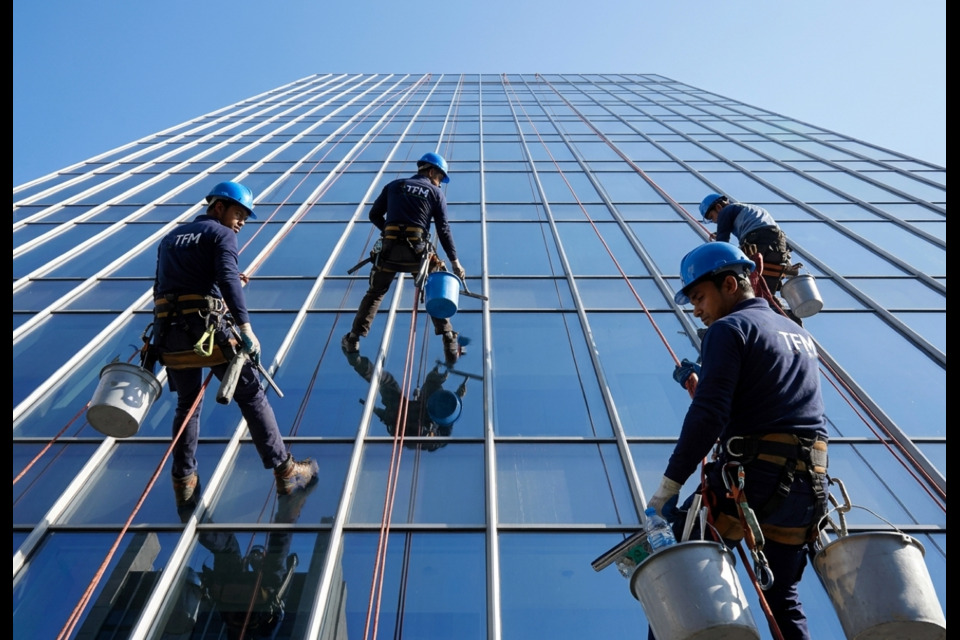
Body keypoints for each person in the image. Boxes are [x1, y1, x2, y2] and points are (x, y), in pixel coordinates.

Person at [648, 242, 829, 640]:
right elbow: (773, 400)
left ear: (729, 284)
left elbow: (709, 414)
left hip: (753, 480)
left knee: (678, 571)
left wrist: (668, 487)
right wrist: (704, 380)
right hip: (807, 490)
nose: (696, 310)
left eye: (699, 297)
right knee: (782, 597)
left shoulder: (728, 329)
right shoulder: (796, 332)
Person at [151, 180, 318, 510]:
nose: (241, 222)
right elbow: (227, 278)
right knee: (252, 394)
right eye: (239, 213)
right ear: (219, 207)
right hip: (208, 332)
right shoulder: (221, 234)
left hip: (170, 335)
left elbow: (165, 285)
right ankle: (286, 471)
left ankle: (184, 481)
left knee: (187, 403)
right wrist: (245, 328)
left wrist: (214, 285)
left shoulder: (169, 238)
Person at [341, 152, 466, 363]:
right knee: (435, 290)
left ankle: (353, 339)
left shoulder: (394, 185)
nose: (440, 183)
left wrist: (390, 232)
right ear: (431, 171)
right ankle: (448, 337)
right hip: (418, 253)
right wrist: (455, 262)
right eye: (439, 178)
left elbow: (373, 214)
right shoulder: (435, 193)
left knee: (375, 293)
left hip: (388, 251)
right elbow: (443, 229)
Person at [345, 349, 466, 451]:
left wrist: (455, 398)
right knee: (388, 383)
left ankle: (359, 364)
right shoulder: (434, 411)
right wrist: (437, 383)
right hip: (408, 416)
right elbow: (433, 395)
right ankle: (360, 364)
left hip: (408, 420)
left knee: (388, 383)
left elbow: (443, 435)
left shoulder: (435, 428)